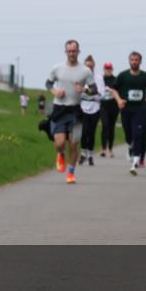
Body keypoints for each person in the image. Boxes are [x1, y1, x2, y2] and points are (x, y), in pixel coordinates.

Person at [45, 40, 96, 184]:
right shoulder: (57, 68)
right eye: (69, 51)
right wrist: (55, 91)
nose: (72, 54)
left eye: (74, 51)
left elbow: (94, 90)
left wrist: (84, 90)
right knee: (59, 143)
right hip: (60, 109)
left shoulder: (85, 70)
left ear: (78, 52)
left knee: (74, 143)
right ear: (65, 52)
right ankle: (60, 154)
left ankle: (71, 173)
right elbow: (48, 83)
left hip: (76, 110)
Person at [110, 51, 146, 176]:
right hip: (126, 109)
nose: (134, 62)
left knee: (138, 134)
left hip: (140, 109)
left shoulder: (145, 76)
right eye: (132, 60)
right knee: (129, 136)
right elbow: (113, 88)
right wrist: (119, 100)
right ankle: (130, 146)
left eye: (136, 60)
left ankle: (135, 162)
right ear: (129, 61)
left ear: (140, 61)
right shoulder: (123, 76)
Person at [78, 55, 101, 166]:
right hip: (83, 107)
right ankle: (83, 154)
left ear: (94, 66)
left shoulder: (99, 78)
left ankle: (91, 156)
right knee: (84, 132)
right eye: (87, 66)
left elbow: (100, 94)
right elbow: (77, 92)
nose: (89, 68)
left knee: (91, 133)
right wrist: (87, 92)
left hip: (95, 108)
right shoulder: (80, 78)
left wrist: (86, 91)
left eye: (91, 66)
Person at [98, 62, 119, 157]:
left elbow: (119, 91)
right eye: (106, 69)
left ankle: (110, 149)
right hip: (103, 106)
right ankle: (103, 149)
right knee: (105, 126)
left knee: (111, 127)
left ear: (112, 69)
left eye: (109, 69)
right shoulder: (100, 79)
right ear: (104, 69)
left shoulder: (116, 80)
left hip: (113, 106)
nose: (108, 70)